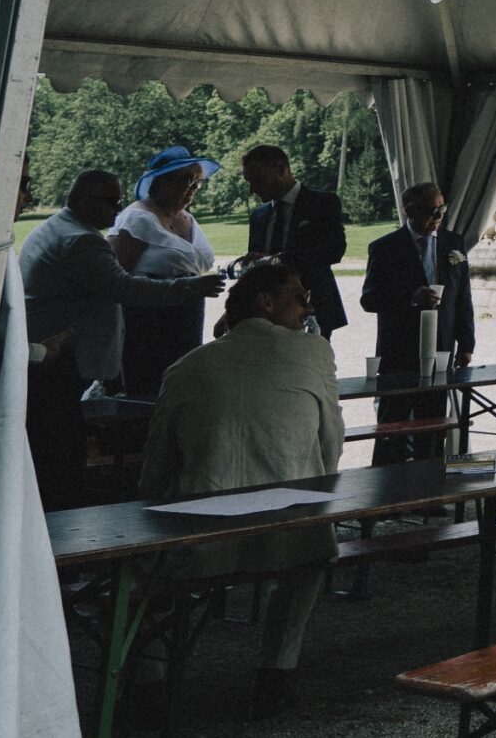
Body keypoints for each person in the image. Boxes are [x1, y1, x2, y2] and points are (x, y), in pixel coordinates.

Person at [136, 260, 343, 719]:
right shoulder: (315, 352)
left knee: (142, 570)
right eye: (300, 298)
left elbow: (157, 463)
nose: (308, 308)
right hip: (289, 533)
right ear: (265, 303)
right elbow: (331, 445)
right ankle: (276, 672)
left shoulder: (186, 366)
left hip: (203, 536)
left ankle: (149, 680)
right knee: (313, 548)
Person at [20, 169, 223, 509]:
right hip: (64, 358)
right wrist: (191, 287)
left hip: (49, 354)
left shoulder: (55, 227)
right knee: (63, 452)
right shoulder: (81, 241)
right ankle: (66, 519)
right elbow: (124, 288)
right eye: (110, 202)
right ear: (83, 200)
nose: (117, 210)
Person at [360, 182, 475, 464]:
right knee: (392, 427)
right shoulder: (385, 248)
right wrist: (410, 297)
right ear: (409, 211)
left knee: (434, 426)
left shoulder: (454, 244)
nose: (438, 217)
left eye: (441, 210)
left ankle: (430, 484)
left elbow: (463, 296)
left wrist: (466, 343)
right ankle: (388, 486)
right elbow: (369, 299)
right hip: (398, 350)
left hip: (441, 349)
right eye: (430, 212)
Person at [106, 147, 222, 396]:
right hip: (148, 324)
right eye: (187, 180)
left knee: (182, 385)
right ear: (162, 181)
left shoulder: (187, 219)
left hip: (188, 317)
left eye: (198, 181)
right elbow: (115, 279)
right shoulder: (137, 219)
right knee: (151, 388)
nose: (193, 188)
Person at [240, 145, 348, 341]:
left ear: (281, 169)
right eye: (249, 182)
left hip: (312, 308)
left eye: (258, 180)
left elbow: (334, 250)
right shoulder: (258, 216)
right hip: (267, 315)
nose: (252, 189)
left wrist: (279, 260)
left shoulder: (322, 203)